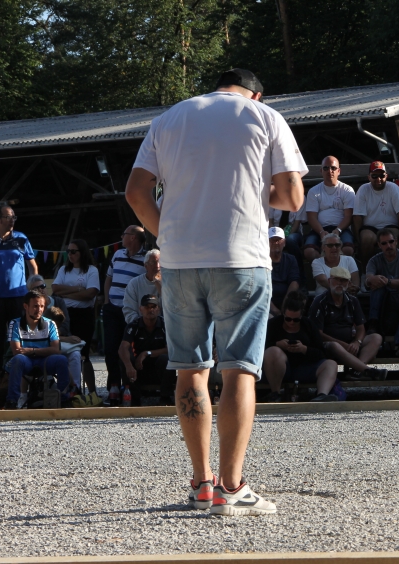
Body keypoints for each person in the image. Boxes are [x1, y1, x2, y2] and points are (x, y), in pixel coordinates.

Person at [125, 67, 308, 516]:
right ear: (256, 94)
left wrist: (166, 234)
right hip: (241, 258)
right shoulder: (264, 117)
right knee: (239, 371)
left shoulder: (170, 118)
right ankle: (231, 486)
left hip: (181, 261)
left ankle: (202, 483)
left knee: (189, 371)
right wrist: (252, 185)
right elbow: (292, 197)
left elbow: (135, 191)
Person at [308, 266, 387, 381]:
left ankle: (357, 370)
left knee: (376, 337)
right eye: (336, 279)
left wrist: (357, 342)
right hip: (327, 346)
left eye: (343, 280)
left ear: (349, 283)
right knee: (334, 345)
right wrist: (342, 344)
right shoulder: (319, 302)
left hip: (350, 343)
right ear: (329, 281)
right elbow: (317, 333)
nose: (339, 283)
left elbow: (361, 328)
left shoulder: (353, 301)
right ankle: (368, 371)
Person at [263, 296, 340, 403]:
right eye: (288, 319)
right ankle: (276, 393)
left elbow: (321, 353)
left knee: (331, 364)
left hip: (305, 367)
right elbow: (261, 346)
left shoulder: (308, 325)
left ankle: (322, 395)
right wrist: (277, 344)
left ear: (301, 316)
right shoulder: (273, 324)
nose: (291, 323)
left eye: (296, 320)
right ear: (283, 314)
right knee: (273, 351)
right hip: (278, 370)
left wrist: (304, 349)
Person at [5, 290, 71, 409]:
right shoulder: (15, 323)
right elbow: (17, 351)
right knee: (18, 360)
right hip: (26, 361)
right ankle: (12, 401)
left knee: (61, 359)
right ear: (26, 306)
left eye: (41, 306)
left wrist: (32, 350)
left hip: (44, 361)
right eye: (35, 306)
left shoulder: (50, 324)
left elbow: (56, 349)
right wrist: (43, 350)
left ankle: (64, 399)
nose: (39, 309)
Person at [103, 225, 147, 401]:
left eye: (125, 234)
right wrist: (106, 301)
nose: (122, 236)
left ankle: (128, 386)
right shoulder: (117, 254)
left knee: (127, 349)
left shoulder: (145, 259)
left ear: (133, 238)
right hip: (112, 307)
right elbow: (108, 278)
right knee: (110, 348)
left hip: (129, 311)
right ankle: (113, 385)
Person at [0, 205, 38, 374]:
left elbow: (32, 266)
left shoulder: (21, 239)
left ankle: (19, 374)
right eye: (8, 217)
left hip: (18, 297)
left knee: (19, 337)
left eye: (14, 217)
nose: (12, 220)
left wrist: (33, 290)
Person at [365, 229, 399, 358]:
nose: (388, 246)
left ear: (396, 242)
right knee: (377, 287)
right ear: (379, 245)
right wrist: (374, 280)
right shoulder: (374, 260)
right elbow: (368, 280)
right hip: (385, 298)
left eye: (391, 242)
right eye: (384, 243)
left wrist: (385, 281)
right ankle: (373, 323)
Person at [119, 295, 175, 406]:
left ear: (158, 309)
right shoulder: (133, 326)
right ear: (141, 309)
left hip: (159, 368)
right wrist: (129, 366)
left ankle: (165, 397)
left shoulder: (166, 325)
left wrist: (146, 353)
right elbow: (123, 348)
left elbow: (172, 349)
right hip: (139, 368)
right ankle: (134, 399)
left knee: (167, 359)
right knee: (124, 360)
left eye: (153, 306)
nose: (151, 310)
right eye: (147, 307)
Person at [51, 239, 99, 358]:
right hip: (65, 313)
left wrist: (65, 293)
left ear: (82, 252)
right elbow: (55, 288)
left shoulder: (91, 270)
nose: (70, 255)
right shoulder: (64, 269)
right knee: (64, 349)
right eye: (68, 251)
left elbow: (90, 293)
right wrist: (78, 289)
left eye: (73, 251)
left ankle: (86, 376)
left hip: (84, 314)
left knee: (83, 352)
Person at [303, 156, 356, 262]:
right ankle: (323, 273)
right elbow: (311, 217)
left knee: (348, 249)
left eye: (333, 168)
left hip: (342, 229)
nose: (330, 171)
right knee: (309, 251)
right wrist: (321, 232)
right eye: (326, 168)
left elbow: (348, 216)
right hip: (320, 230)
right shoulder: (313, 191)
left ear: (339, 171)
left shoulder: (347, 190)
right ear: (321, 171)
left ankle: (342, 276)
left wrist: (338, 230)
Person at [353, 161, 399, 259]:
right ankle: (366, 270)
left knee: (390, 240)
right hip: (369, 227)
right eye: (374, 176)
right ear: (369, 177)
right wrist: (358, 238)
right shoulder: (363, 189)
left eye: (381, 175)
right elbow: (357, 216)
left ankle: (393, 270)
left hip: (391, 226)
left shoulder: (393, 188)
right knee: (366, 239)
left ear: (386, 176)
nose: (378, 179)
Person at [122, 249, 161, 323]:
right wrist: (141, 326)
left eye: (160, 262)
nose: (157, 266)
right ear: (146, 266)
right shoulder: (134, 284)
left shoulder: (168, 284)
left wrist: (159, 284)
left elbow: (172, 307)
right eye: (153, 262)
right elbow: (129, 310)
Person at [268, 227, 299, 317]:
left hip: (287, 300)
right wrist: (275, 310)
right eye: (272, 240)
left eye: (279, 240)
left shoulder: (291, 259)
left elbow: (295, 282)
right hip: (267, 302)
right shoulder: (261, 260)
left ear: (284, 243)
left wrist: (285, 306)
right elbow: (260, 287)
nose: (276, 242)